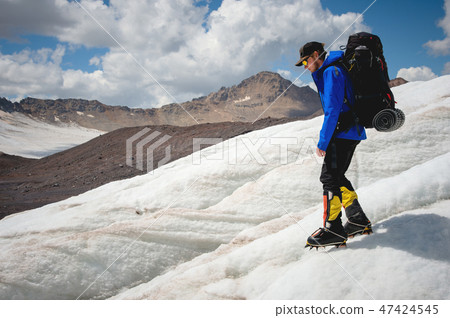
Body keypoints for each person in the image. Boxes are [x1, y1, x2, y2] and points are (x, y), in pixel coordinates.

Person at [295, 42, 372, 248]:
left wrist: (323, 141)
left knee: (329, 178)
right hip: (349, 131)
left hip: (343, 132)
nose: (305, 66)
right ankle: (357, 220)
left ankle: (333, 229)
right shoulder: (331, 70)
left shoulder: (331, 72)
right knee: (336, 176)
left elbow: (332, 110)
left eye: (305, 61)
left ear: (316, 54)